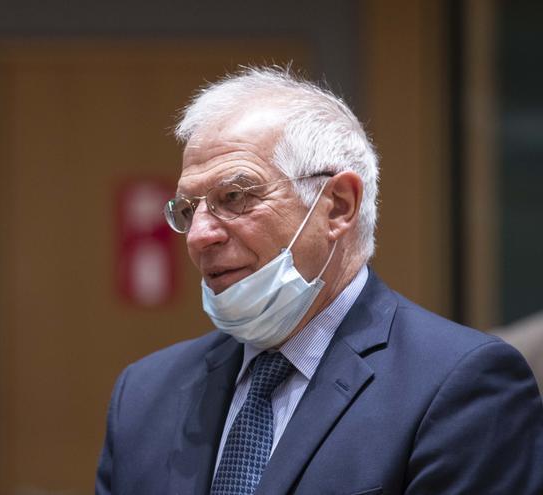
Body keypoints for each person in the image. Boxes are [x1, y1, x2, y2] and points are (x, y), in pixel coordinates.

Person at [96, 67, 543, 494]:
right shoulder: (144, 394)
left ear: (338, 206)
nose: (199, 235)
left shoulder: (460, 385)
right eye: (188, 210)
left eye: (233, 197)